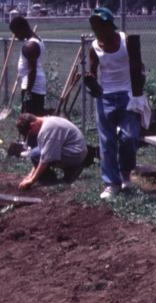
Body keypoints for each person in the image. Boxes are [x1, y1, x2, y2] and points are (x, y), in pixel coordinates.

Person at [86, 7, 141, 199]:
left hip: (127, 95)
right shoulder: (94, 47)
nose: (96, 30)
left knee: (129, 137)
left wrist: (139, 93)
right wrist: (90, 79)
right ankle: (111, 183)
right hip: (105, 97)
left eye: (99, 26)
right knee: (107, 142)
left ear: (110, 25)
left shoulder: (127, 41)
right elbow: (93, 71)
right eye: (93, 26)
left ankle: (125, 172)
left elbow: (139, 66)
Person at [16, 113, 88, 190]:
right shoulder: (47, 122)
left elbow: (45, 159)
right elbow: (42, 153)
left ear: (32, 125)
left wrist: (31, 180)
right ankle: (70, 170)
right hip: (71, 150)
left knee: (35, 154)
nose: (32, 135)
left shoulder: (48, 129)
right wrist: (30, 175)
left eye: (30, 133)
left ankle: (52, 179)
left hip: (76, 153)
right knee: (36, 153)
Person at [9, 16, 46, 117]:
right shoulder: (38, 40)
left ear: (22, 28)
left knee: (29, 121)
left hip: (32, 87)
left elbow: (32, 70)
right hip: (36, 86)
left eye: (15, 32)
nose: (15, 36)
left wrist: (28, 92)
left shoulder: (30, 46)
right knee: (34, 119)